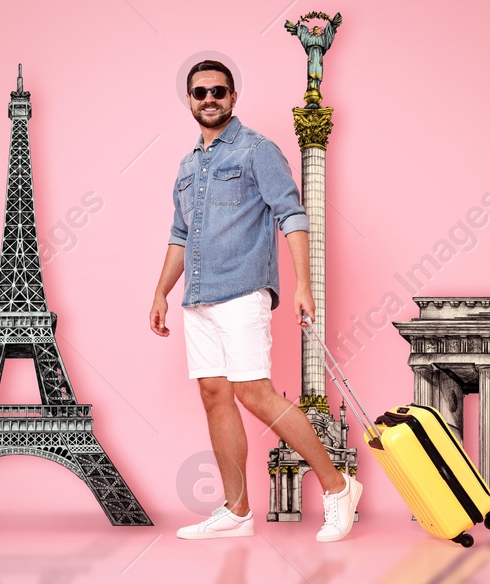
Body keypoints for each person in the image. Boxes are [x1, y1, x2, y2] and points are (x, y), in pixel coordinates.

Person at [150, 60, 362, 542]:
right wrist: (161, 291)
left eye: (218, 91)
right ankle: (237, 509)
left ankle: (337, 486)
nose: (209, 99)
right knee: (213, 395)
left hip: (243, 290)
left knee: (253, 392)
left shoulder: (257, 151)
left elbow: (292, 214)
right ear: (189, 100)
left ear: (233, 97)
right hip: (197, 296)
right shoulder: (186, 168)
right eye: (200, 92)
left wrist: (304, 285)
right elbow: (179, 235)